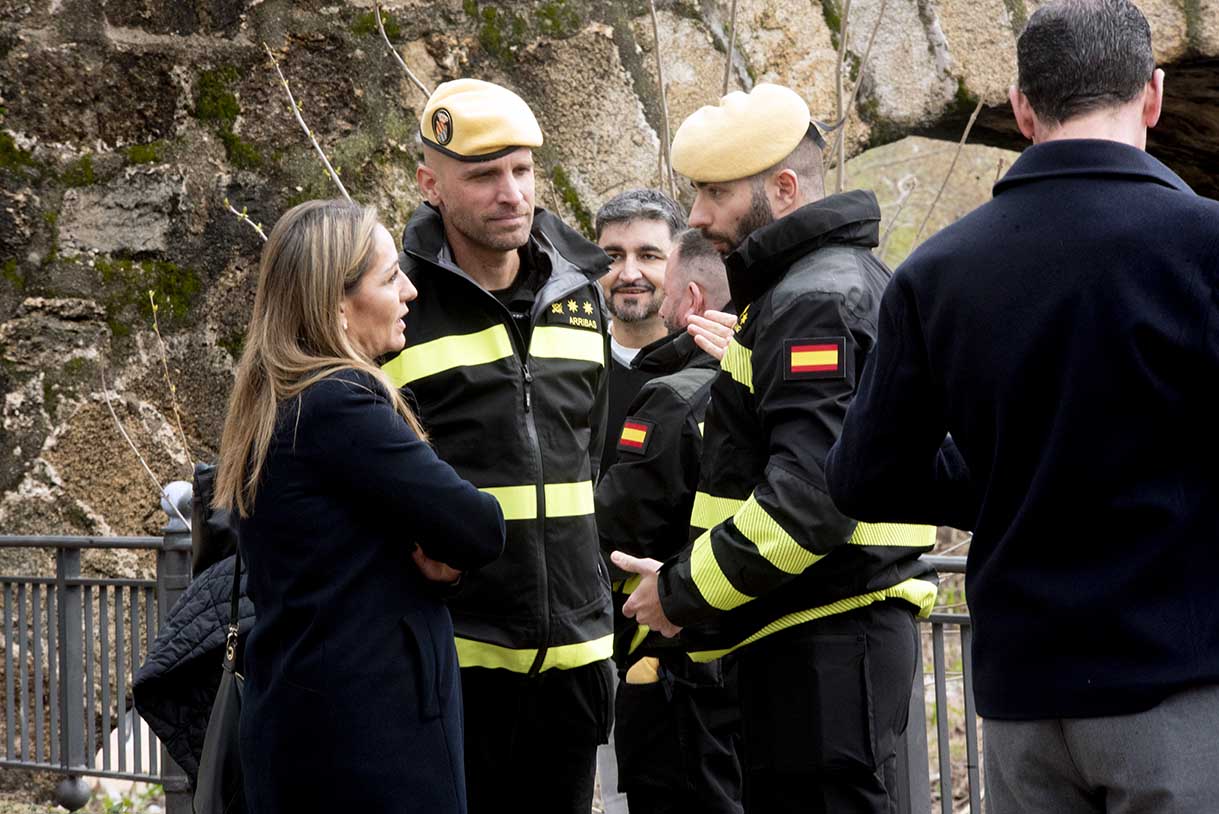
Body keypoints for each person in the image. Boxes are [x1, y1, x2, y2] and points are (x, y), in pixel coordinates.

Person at [825, 1, 1219, 810]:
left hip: (1020, 699)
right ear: (1152, 95)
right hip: (1181, 684)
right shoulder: (1203, 245)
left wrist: (1015, 476)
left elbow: (864, 476)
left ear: (1021, 108)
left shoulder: (935, 271)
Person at [612, 83, 937, 813]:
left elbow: (809, 500)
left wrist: (680, 591)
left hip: (823, 643)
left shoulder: (812, 299)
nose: (697, 216)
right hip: (815, 635)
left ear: (784, 189)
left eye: (716, 192)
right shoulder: (819, 286)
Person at [212, 199, 506, 812]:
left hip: (310, 719)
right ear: (337, 306)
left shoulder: (282, 398)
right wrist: (447, 556)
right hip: (368, 738)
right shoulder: (339, 402)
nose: (410, 291)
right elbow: (479, 528)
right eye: (390, 277)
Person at [380, 78, 615, 813]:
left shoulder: (580, 296)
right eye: (484, 175)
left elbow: (592, 458)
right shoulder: (395, 306)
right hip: (453, 660)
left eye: (522, 170)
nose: (511, 194)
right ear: (430, 184)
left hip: (574, 660)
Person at [596, 227, 741, 813]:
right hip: (757, 658)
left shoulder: (671, 399)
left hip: (673, 664)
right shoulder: (771, 380)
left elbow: (615, 528)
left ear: (693, 300)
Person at [593, 189, 687, 476]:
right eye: (614, 256)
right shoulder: (571, 362)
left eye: (648, 256)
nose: (629, 274)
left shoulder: (706, 367)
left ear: (680, 264)